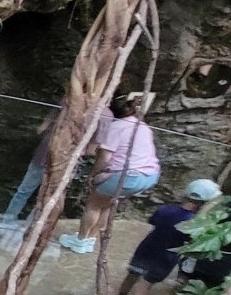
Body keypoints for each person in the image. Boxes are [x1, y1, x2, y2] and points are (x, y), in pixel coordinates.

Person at [111, 179, 221, 295]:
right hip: (165, 259)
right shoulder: (192, 223)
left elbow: (153, 221)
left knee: (132, 275)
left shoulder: (165, 210)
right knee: (144, 288)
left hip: (146, 249)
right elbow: (191, 241)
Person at [59, 93, 160, 254]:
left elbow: (105, 157)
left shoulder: (117, 126)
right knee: (107, 204)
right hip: (150, 175)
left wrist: (93, 177)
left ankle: (80, 241)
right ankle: (91, 239)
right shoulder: (143, 127)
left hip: (128, 175)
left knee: (94, 203)